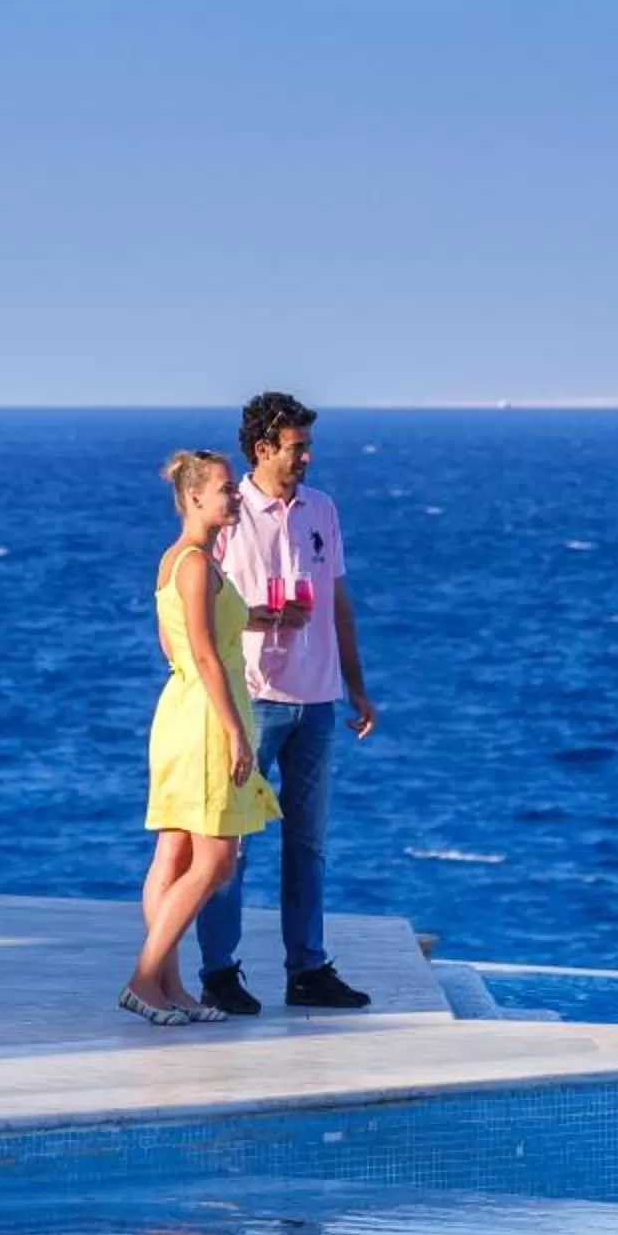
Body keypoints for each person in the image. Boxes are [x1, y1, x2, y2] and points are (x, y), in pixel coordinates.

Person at [198, 391, 378, 1013]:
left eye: (308, 447)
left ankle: (307, 969)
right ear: (263, 448)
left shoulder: (321, 510)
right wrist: (265, 616)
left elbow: (338, 602)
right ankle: (219, 972)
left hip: (319, 701)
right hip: (253, 701)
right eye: (296, 447)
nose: (306, 458)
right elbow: (203, 614)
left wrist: (356, 685)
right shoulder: (229, 514)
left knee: (309, 844)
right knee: (233, 842)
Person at [126, 449, 280, 1025]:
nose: (234, 495)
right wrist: (237, 734)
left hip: (183, 708)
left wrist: (256, 619)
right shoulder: (193, 563)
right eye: (223, 489)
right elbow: (206, 655)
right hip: (207, 719)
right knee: (215, 862)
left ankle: (168, 986)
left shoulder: (178, 561)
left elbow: (176, 650)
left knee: (176, 852)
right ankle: (145, 978)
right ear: (193, 497)